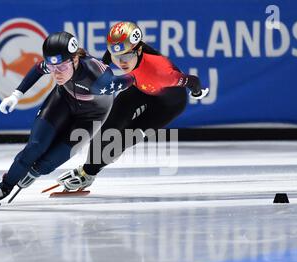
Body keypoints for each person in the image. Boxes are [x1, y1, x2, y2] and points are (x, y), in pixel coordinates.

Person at [56, 21, 209, 191]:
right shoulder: (121, 49)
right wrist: (103, 68)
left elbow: (193, 81)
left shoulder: (160, 71)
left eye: (126, 56)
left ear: (139, 49)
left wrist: (198, 92)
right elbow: (109, 56)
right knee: (108, 127)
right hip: (140, 88)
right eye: (117, 56)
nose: (121, 62)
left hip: (168, 105)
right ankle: (86, 170)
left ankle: (89, 173)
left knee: (124, 138)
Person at [0, 31, 114, 204]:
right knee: (35, 147)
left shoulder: (94, 72)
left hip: (91, 116)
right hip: (63, 102)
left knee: (45, 164)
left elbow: (120, 81)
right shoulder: (58, 62)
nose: (56, 73)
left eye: (62, 68)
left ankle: (35, 172)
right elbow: (37, 69)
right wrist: (16, 95)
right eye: (51, 67)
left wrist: (130, 78)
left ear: (75, 60)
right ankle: (4, 187)